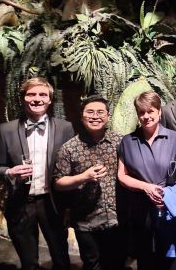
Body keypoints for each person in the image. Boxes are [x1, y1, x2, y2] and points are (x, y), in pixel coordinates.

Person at [0, 77, 74, 270]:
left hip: (53, 203)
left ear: (49, 100)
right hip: (22, 203)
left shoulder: (65, 128)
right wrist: (10, 172)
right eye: (31, 94)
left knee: (61, 258)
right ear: (23, 98)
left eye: (42, 94)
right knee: (29, 262)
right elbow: (0, 167)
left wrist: (70, 206)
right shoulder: (6, 130)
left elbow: (71, 168)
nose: (37, 99)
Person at [117, 91, 176, 270]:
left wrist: (173, 191)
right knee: (146, 257)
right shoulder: (127, 142)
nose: (146, 116)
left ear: (159, 112)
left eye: (150, 111)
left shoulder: (174, 138)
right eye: (141, 112)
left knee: (173, 258)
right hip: (142, 208)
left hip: (171, 208)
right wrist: (146, 187)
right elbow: (122, 175)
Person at [54, 95, 125, 270]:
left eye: (100, 112)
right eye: (90, 112)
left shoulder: (120, 142)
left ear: (108, 116)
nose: (95, 116)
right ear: (81, 116)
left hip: (116, 218)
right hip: (86, 221)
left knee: (116, 263)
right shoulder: (69, 148)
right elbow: (58, 182)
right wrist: (83, 177)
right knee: (92, 264)